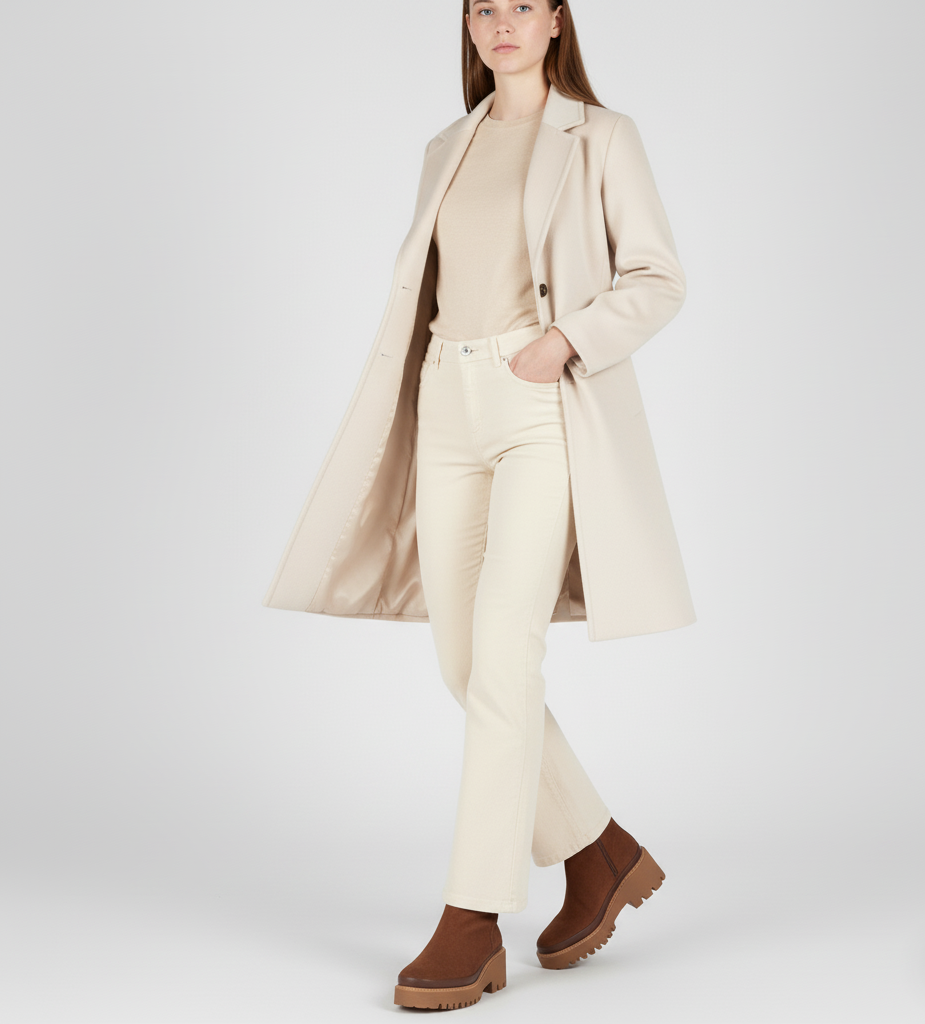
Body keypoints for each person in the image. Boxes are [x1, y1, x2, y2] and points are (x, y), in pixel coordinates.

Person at [263, 0, 696, 1011]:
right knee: (463, 660)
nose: (502, 24)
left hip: (540, 404)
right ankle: (600, 850)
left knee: (504, 656)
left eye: (522, 6)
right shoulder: (445, 147)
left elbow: (658, 277)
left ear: (556, 23)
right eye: (483, 8)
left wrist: (566, 341)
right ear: (468, 26)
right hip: (445, 405)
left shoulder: (601, 135)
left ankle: (474, 914)